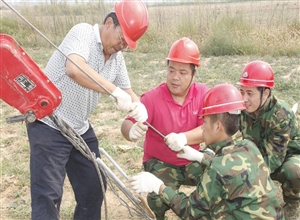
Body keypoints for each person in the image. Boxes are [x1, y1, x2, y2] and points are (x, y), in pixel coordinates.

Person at [26, 0, 149, 219]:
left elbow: (128, 92)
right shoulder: (83, 33)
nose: (123, 46)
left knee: (94, 188)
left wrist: (139, 108)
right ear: (109, 23)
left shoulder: (116, 59)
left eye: (128, 44)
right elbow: (74, 68)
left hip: (79, 129)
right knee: (48, 196)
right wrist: (113, 91)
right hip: (50, 123)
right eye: (122, 38)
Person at [129, 84, 284, 219]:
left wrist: (158, 186)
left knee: (205, 213)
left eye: (205, 121)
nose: (202, 127)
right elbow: (230, 169)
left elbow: (189, 211)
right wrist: (199, 157)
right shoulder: (248, 146)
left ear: (217, 126)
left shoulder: (217, 170)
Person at [121, 37, 210, 219]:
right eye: (171, 70)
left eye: (183, 72)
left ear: (194, 74)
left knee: (218, 179)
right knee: (157, 202)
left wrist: (184, 138)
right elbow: (127, 123)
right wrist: (131, 132)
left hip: (191, 159)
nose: (175, 77)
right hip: (161, 163)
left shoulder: (203, 93)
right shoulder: (152, 98)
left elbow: (210, 129)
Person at [237, 60, 300, 220]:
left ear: (265, 93)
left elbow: (273, 159)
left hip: (286, 156)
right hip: (259, 151)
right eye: (241, 91)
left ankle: (293, 204)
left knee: (293, 170)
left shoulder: (281, 115)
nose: (244, 98)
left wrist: (246, 178)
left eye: (250, 93)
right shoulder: (243, 107)